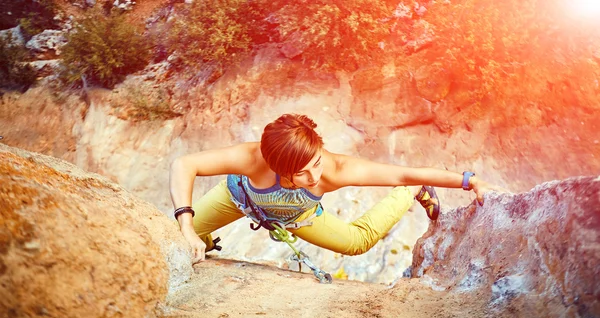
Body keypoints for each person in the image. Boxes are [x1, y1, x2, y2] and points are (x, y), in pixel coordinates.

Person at [170, 114, 499, 264]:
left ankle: (413, 193)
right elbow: (184, 165)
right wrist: (186, 226)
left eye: (316, 162)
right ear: (278, 168)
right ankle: (203, 237)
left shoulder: (334, 169)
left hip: (300, 216)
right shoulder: (252, 158)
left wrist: (470, 181)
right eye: (302, 172)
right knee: (177, 238)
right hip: (240, 198)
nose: (315, 176)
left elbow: (402, 171)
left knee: (357, 243)